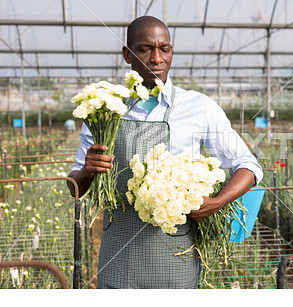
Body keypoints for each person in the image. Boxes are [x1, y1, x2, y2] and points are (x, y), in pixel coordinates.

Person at [67, 16, 262, 289]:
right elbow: (74, 188)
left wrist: (217, 202)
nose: (157, 58)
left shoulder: (199, 107)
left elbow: (248, 166)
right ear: (127, 54)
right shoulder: (105, 111)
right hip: (119, 250)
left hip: (176, 249)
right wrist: (87, 170)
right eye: (145, 49)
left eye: (165, 49)